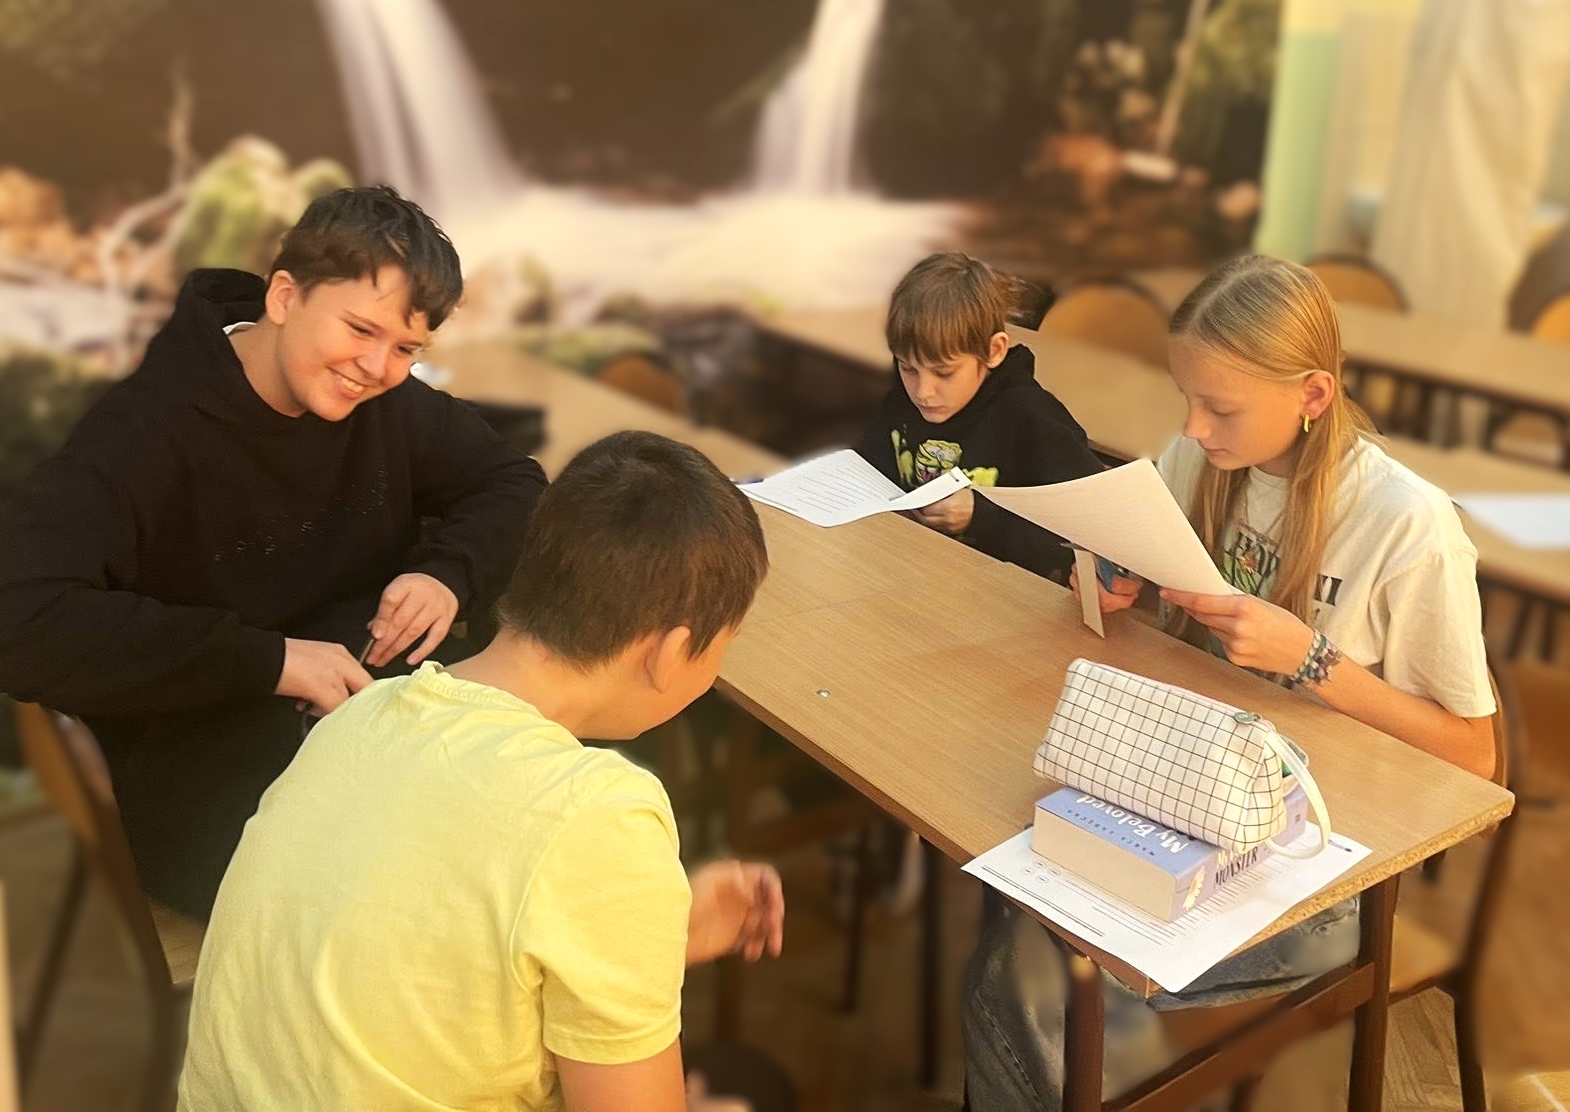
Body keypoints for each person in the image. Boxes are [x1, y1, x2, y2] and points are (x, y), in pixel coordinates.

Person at [963, 255, 1497, 1108]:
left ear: (1313, 394)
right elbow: (1154, 614)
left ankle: (1094, 1073)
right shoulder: (1200, 458)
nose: (1194, 426)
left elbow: (1477, 760)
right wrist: (1119, 588)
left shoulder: (1408, 524)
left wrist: (1311, 660)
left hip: (1324, 865)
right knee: (1024, 906)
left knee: (1031, 974)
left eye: (1220, 407)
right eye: (1188, 398)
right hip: (1192, 792)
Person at [178, 431, 784, 1112]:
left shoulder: (366, 711)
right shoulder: (599, 816)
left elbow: (430, 961)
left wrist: (647, 940)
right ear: (671, 652)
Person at [0, 185, 548, 917]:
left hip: (365, 721)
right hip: (199, 778)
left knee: (527, 829)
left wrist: (447, 573)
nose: (377, 367)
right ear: (285, 296)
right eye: (359, 329)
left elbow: (513, 481)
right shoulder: (141, 432)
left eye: (406, 349)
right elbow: (18, 616)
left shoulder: (384, 400)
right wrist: (272, 660)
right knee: (447, 895)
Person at [855, 252, 1103, 584]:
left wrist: (982, 518)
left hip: (1007, 595)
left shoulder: (1031, 418)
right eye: (908, 368)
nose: (923, 392)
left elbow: (1089, 537)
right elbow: (871, 472)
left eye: (944, 373)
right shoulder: (898, 397)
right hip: (909, 575)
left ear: (993, 351)